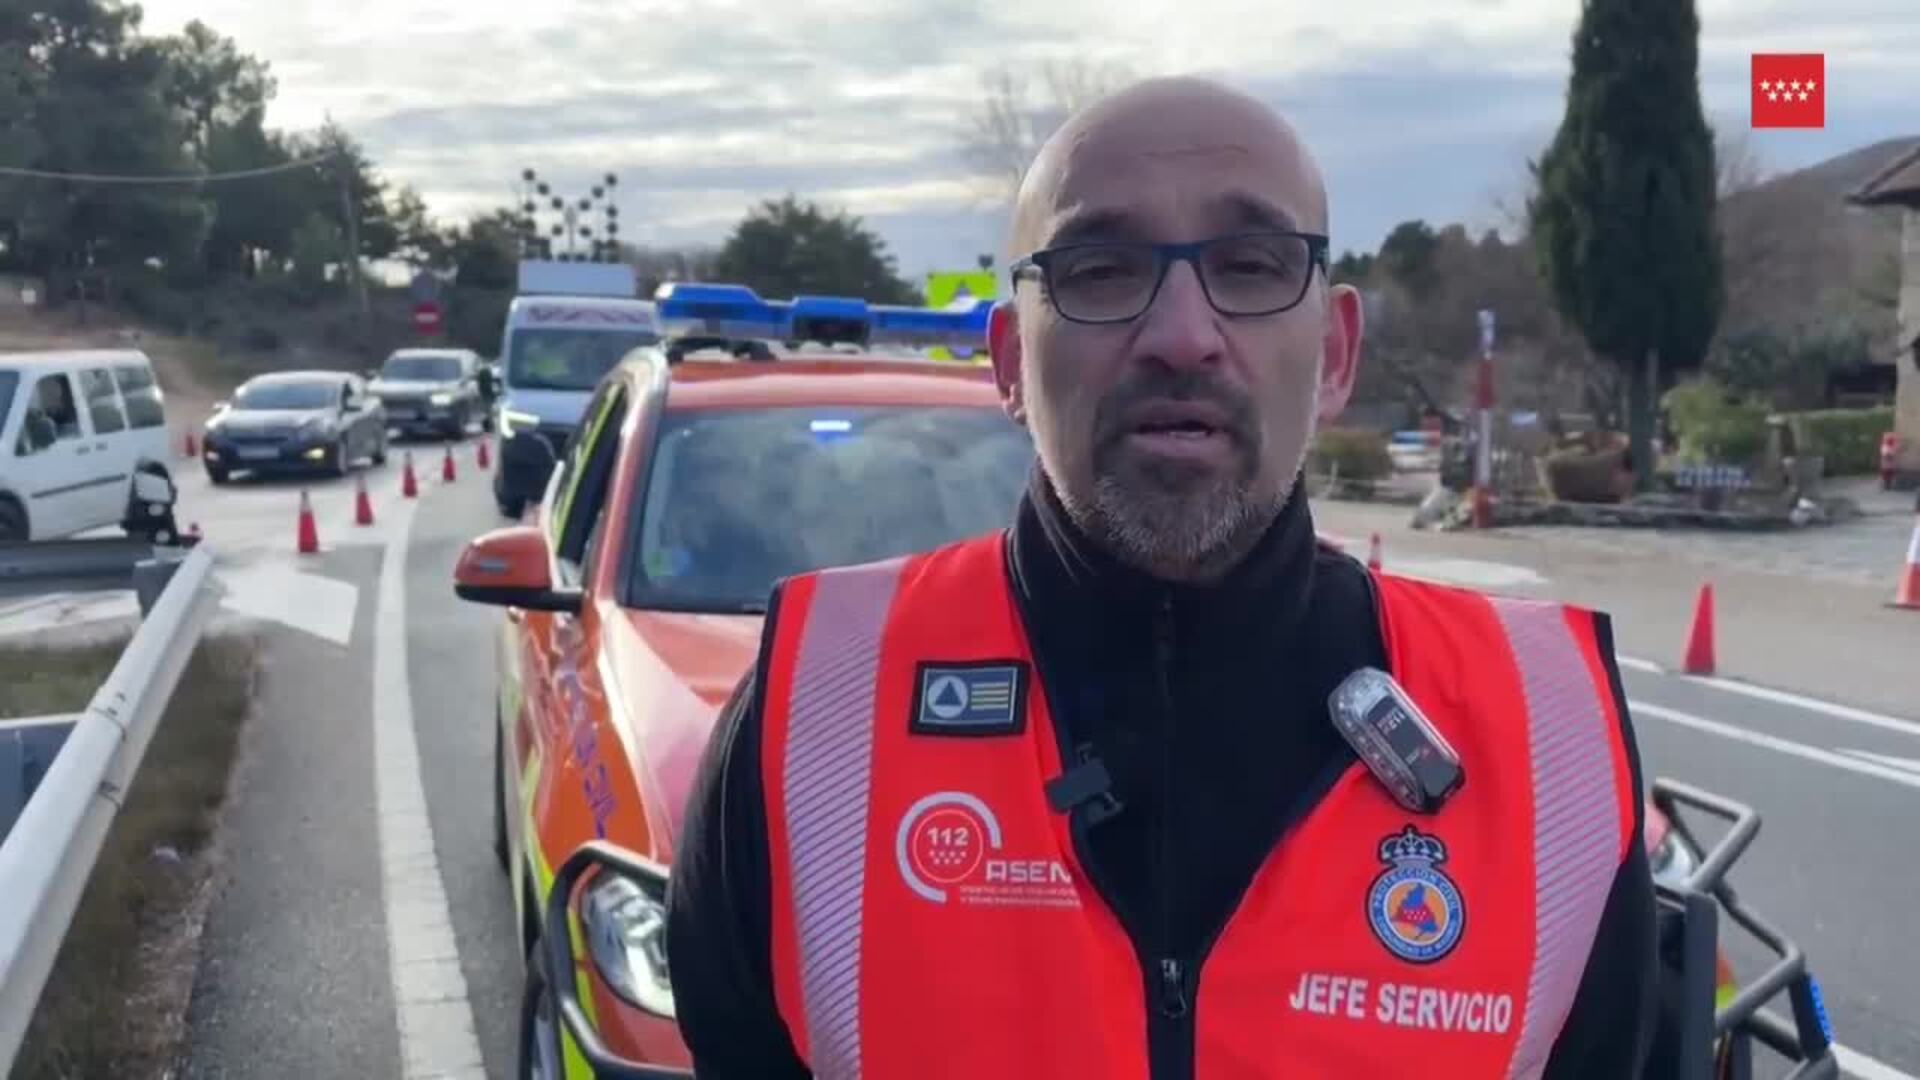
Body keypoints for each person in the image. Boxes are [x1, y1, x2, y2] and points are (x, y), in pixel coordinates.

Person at [666, 75, 1657, 1079]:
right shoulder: (816, 720)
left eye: (1253, 264)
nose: (1182, 336)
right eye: (1100, 270)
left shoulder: (1548, 737)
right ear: (1009, 361)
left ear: (1337, 352)